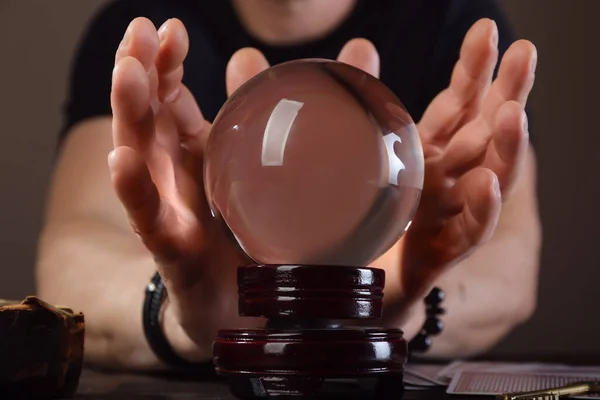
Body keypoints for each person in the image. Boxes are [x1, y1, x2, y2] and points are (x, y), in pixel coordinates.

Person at [35, 0, 541, 371]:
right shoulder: (142, 23)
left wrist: (392, 305)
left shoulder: (446, 18)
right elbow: (72, 254)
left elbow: (512, 263)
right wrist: (183, 310)